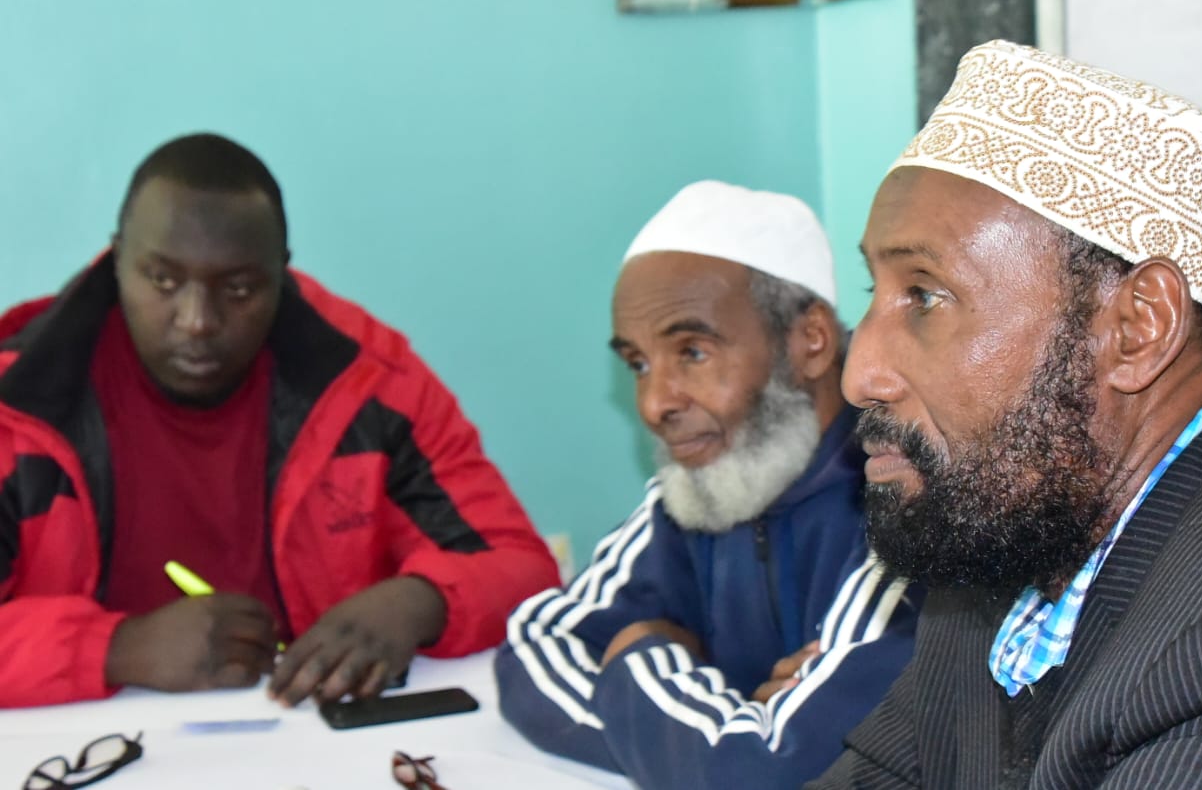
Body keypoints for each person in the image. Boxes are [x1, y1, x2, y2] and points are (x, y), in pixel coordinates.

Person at [808, 40, 1202, 789]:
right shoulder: (1016, 510)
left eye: (925, 296)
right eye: (876, 294)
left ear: (1137, 327)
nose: (861, 374)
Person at [0, 133, 560, 708]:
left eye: (239, 289)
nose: (197, 321)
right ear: (117, 260)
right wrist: (119, 648)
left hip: (305, 743)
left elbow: (520, 566)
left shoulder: (369, 386)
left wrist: (421, 603)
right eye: (163, 280)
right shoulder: (18, 400)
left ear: (280, 276)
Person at [495, 181, 921, 790]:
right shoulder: (699, 487)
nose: (654, 403)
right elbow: (534, 649)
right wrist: (734, 723)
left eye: (691, 352)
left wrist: (640, 655)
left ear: (811, 342)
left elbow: (779, 773)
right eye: (638, 364)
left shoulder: (906, 494)